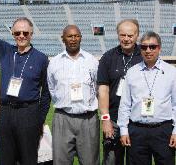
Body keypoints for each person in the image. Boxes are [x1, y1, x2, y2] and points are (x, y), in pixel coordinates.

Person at [0, 0, 51, 165]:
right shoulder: (5, 50)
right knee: (6, 159)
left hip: (29, 113)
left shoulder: (41, 58)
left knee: (28, 159)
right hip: (5, 112)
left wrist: (40, 119)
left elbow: (46, 94)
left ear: (31, 34)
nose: (21, 36)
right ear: (12, 33)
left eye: (25, 33)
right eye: (17, 32)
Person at [117, 31, 176, 165]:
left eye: (152, 47)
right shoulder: (132, 72)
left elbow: (175, 104)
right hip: (137, 131)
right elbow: (125, 104)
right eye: (144, 47)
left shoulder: (172, 72)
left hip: (163, 130)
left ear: (159, 48)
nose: (148, 50)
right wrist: (124, 130)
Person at [47, 25, 99, 165]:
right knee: (61, 162)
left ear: (81, 38)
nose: (73, 39)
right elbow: (52, 88)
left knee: (90, 162)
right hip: (63, 118)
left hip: (88, 119)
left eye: (76, 36)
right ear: (63, 39)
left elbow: (97, 87)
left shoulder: (92, 61)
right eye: (70, 36)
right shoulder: (54, 62)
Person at [97, 19, 142, 165]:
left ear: (137, 35)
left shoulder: (144, 55)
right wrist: (105, 119)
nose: (126, 39)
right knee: (111, 161)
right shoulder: (108, 57)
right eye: (123, 35)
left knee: (136, 161)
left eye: (130, 35)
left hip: (137, 121)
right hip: (114, 120)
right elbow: (103, 90)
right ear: (117, 35)